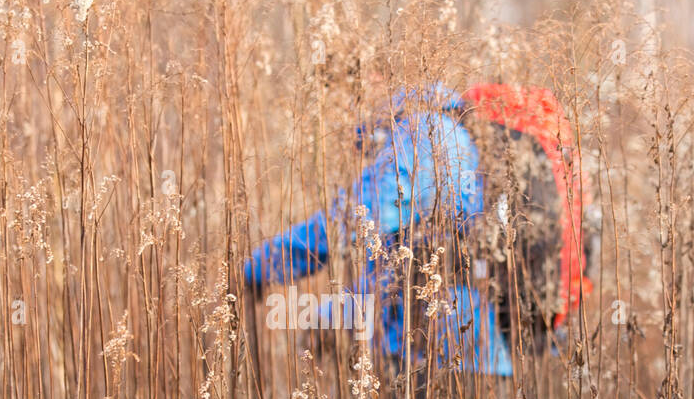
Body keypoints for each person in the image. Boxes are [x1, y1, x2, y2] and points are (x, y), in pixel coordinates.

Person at [242, 82, 590, 380]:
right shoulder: (450, 130)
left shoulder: (427, 138)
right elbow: (396, 260)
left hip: (448, 358)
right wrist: (327, 318)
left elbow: (343, 227)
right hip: (475, 354)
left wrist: (255, 269)